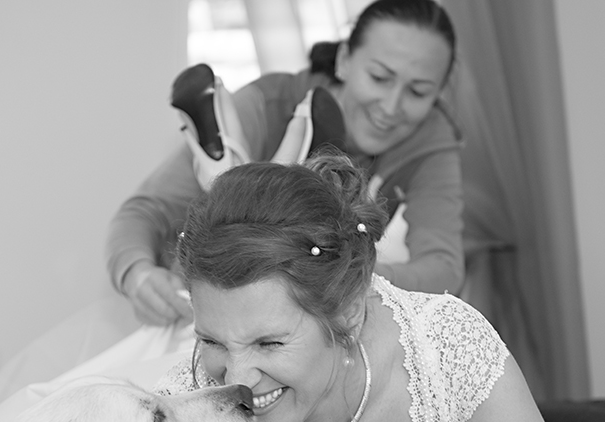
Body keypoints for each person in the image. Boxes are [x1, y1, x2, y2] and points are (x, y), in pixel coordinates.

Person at [157, 154, 595, 422]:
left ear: (347, 313)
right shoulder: (187, 404)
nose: (237, 378)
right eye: (212, 341)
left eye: (269, 343)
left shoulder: (446, 349)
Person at [109, 0, 467, 327]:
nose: (391, 106)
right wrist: (138, 274)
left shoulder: (430, 138)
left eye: (418, 92)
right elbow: (144, 212)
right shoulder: (266, 106)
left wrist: (341, 275)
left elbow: (444, 268)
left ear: (438, 94)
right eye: (379, 77)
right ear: (343, 60)